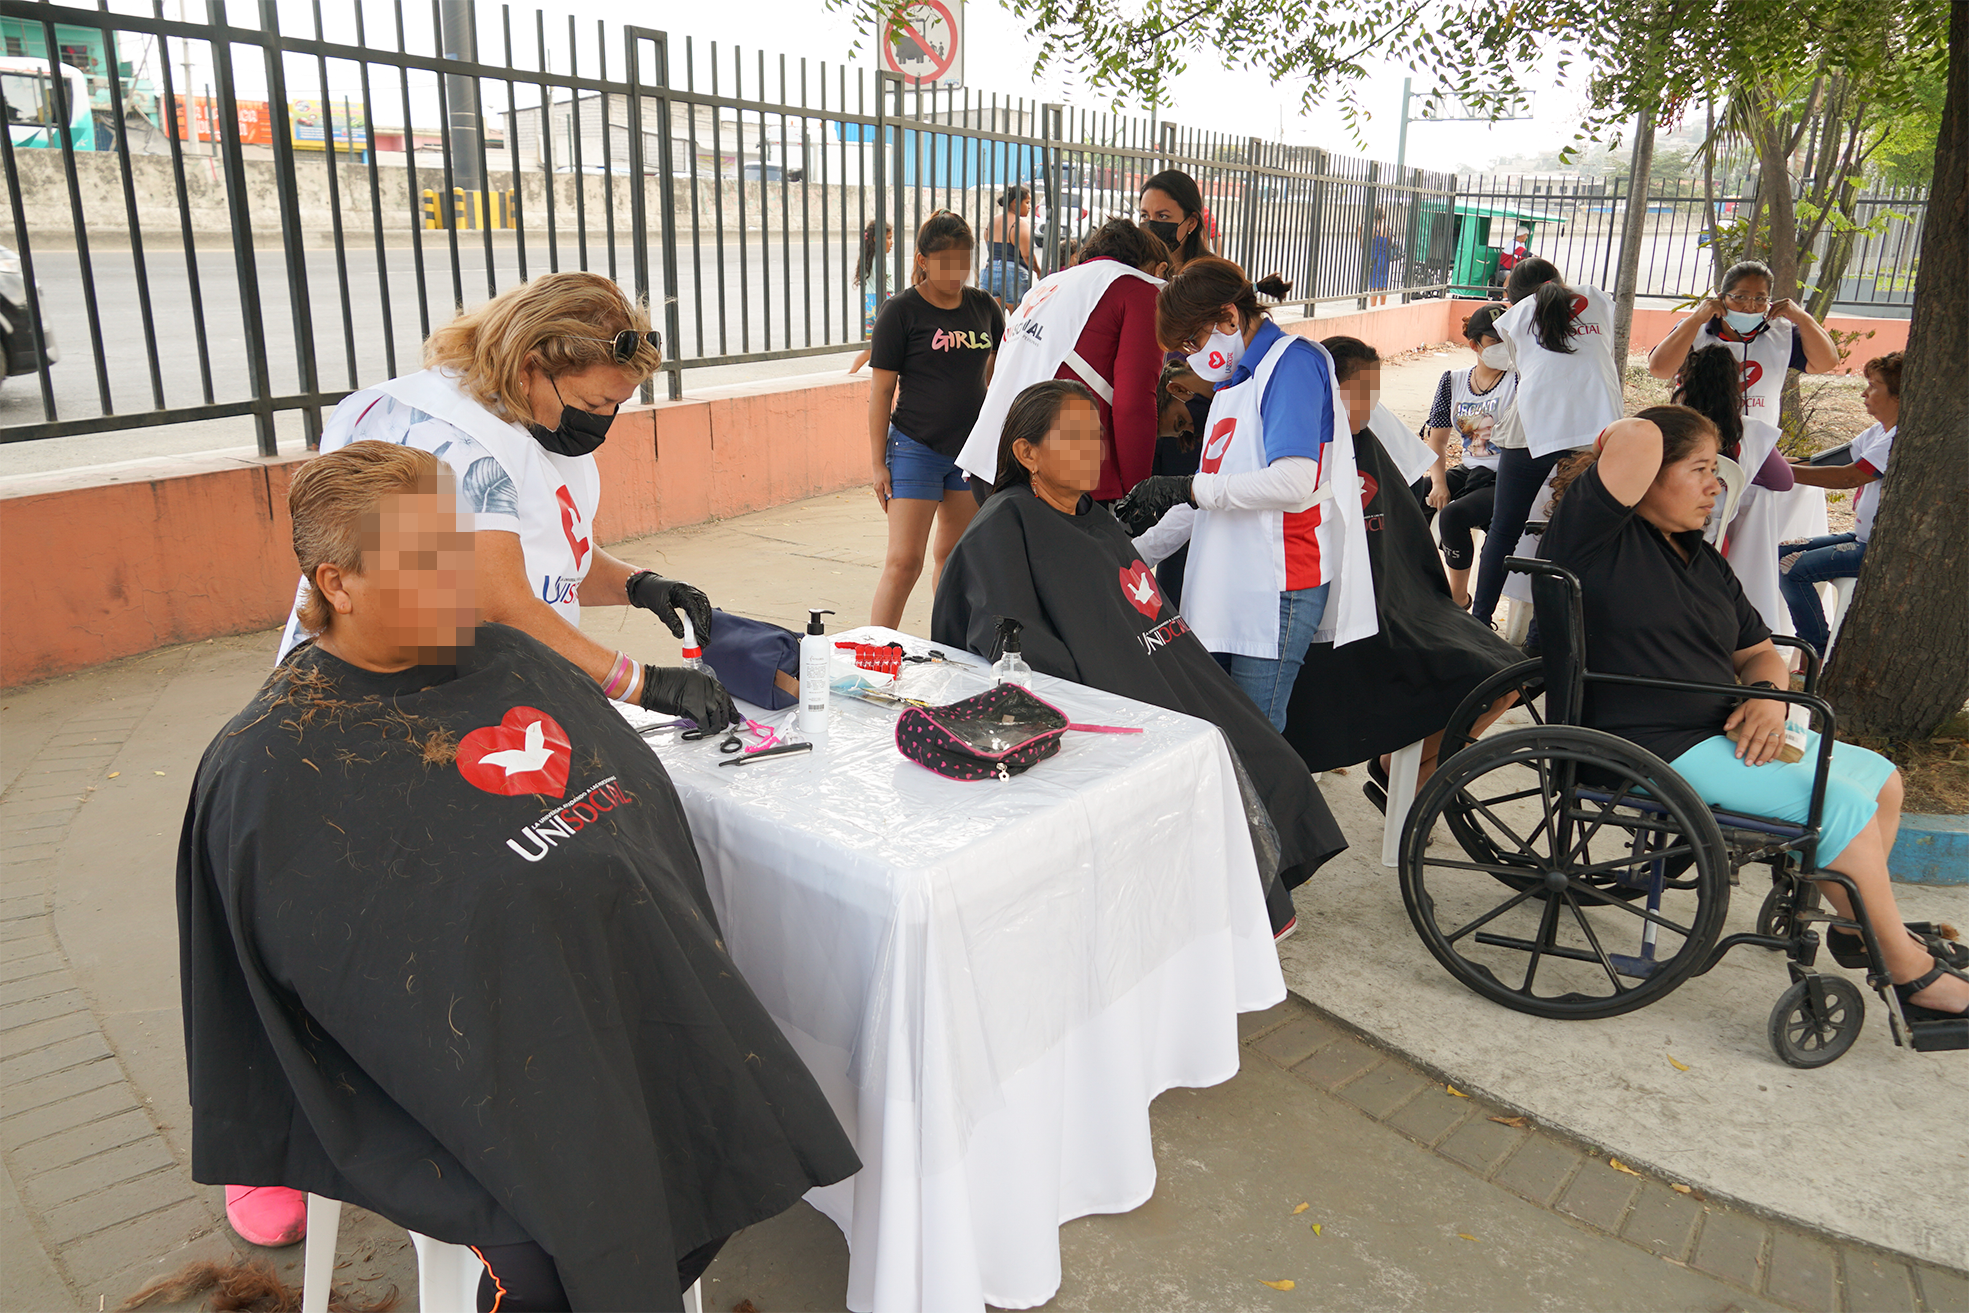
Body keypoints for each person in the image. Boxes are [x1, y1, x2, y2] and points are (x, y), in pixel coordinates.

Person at [182, 444, 861, 1313]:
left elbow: (637, 818)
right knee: (555, 1254)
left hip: (599, 1012)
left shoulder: (512, 658)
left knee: (732, 1119)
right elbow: (310, 994)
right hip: (436, 1080)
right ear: (338, 583)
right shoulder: (271, 761)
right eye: (423, 559)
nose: (460, 577)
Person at [253, 273, 737, 1251]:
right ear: (530, 367)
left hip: (470, 698)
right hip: (367, 707)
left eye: (618, 406)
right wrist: (638, 681)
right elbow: (502, 598)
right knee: (336, 922)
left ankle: (488, 1079)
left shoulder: (526, 424)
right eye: (594, 402)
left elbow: (554, 555)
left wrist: (638, 582)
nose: (603, 422)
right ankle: (272, 1136)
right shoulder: (447, 439)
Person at [1538, 405, 1968, 1027]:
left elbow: (1761, 652)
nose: (1717, 485)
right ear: (1645, 474)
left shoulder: (1702, 560)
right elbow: (1637, 435)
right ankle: (1909, 973)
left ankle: (1857, 929)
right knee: (1835, 804)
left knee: (1881, 781)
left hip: (1721, 731)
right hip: (1647, 744)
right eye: (1700, 469)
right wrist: (1634, 437)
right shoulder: (1595, 537)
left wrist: (1765, 696)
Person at [932, 380, 1348, 940]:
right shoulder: (1005, 526)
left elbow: (1139, 601)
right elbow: (1010, 639)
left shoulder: (1092, 515)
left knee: (1267, 754)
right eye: (1074, 437)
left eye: (1096, 436)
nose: (1093, 450)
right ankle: (1229, 914)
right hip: (1101, 692)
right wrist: (1100, 681)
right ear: (1026, 452)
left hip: (1156, 667)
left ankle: (1253, 892)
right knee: (1205, 769)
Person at [1114, 257, 1377, 732]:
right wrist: (1134, 552)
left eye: (1192, 342)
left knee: (1257, 733)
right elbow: (1209, 498)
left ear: (1229, 318)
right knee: (1219, 727)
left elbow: (1294, 479)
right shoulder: (1236, 382)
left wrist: (1187, 487)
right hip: (1232, 580)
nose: (1191, 357)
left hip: (1279, 582)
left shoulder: (1292, 364)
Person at [1280, 338, 1520, 793]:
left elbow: (1404, 535)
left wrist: (1430, 594)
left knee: (1510, 678)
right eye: (1361, 392)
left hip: (1406, 601)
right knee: (1488, 676)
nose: (1371, 405)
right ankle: (1413, 787)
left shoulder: (1368, 442)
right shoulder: (1298, 453)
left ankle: (1404, 772)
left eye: (1375, 392)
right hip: (1359, 618)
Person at [1646, 259, 1840, 627]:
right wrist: (1696, 319)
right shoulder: (1697, 330)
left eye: (1760, 299)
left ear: (1772, 301)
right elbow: (1659, 368)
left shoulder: (1781, 333)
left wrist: (1801, 318)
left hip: (1754, 448)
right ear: (1721, 297)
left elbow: (1826, 362)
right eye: (1740, 297)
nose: (1750, 307)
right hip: (1700, 447)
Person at [955, 219, 1167, 505]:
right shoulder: (1138, 290)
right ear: (1155, 268)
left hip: (991, 461)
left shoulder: (1048, 285)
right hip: (1059, 477)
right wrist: (1138, 493)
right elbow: (1134, 403)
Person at [867, 211, 1005, 628]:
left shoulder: (983, 306)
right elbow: (881, 393)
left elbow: (997, 376)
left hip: (968, 454)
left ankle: (947, 648)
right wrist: (877, 464)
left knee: (954, 559)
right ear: (923, 261)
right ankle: (874, 653)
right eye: (945, 262)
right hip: (915, 447)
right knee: (904, 562)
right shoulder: (900, 311)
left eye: (963, 261)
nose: (956, 272)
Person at [1469, 257, 1622, 631]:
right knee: (1573, 533)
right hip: (1593, 431)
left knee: (1504, 529)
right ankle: (1543, 634)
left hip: (1532, 429)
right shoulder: (1597, 299)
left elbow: (1513, 362)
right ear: (1558, 278)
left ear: (1514, 296)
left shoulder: (1514, 317)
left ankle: (1478, 622)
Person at [1779, 351, 1904, 653]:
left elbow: (1847, 477)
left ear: (1899, 396)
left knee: (1792, 570)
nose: (1864, 393)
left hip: (1877, 547)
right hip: (1862, 537)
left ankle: (1817, 652)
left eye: (1873, 386)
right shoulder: (1879, 432)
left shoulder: (1897, 438)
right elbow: (1825, 462)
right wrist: (1774, 463)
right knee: (1782, 552)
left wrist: (1779, 472)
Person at [1419, 305, 1514, 608]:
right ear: (1474, 345)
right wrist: (1438, 483)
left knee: (1454, 515)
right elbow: (1437, 439)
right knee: (1412, 495)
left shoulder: (1519, 380)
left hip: (1507, 474)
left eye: (1508, 339)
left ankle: (1458, 599)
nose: (1503, 347)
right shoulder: (1453, 380)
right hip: (1470, 468)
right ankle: (1419, 580)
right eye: (1494, 341)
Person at [847, 219, 893, 375]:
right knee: (893, 342)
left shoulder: (867, 259)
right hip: (884, 302)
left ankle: (852, 372)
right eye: (889, 238)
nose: (892, 242)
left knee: (870, 347)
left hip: (869, 305)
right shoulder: (883, 261)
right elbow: (887, 283)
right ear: (876, 239)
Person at [983, 184, 1036, 308]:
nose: (1029, 207)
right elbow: (1027, 255)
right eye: (1027, 202)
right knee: (1017, 315)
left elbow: (988, 242)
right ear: (1016, 202)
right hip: (1013, 274)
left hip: (990, 271)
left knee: (994, 316)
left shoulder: (993, 221)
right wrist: (1038, 271)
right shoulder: (1019, 225)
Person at [1364, 208, 1402, 307]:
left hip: (1375, 258)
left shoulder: (1373, 229)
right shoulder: (1387, 228)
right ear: (1384, 217)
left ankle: (1373, 306)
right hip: (1385, 259)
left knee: (1374, 283)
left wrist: (1359, 233)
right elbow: (1389, 243)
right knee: (1383, 282)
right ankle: (1383, 305)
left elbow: (1364, 245)